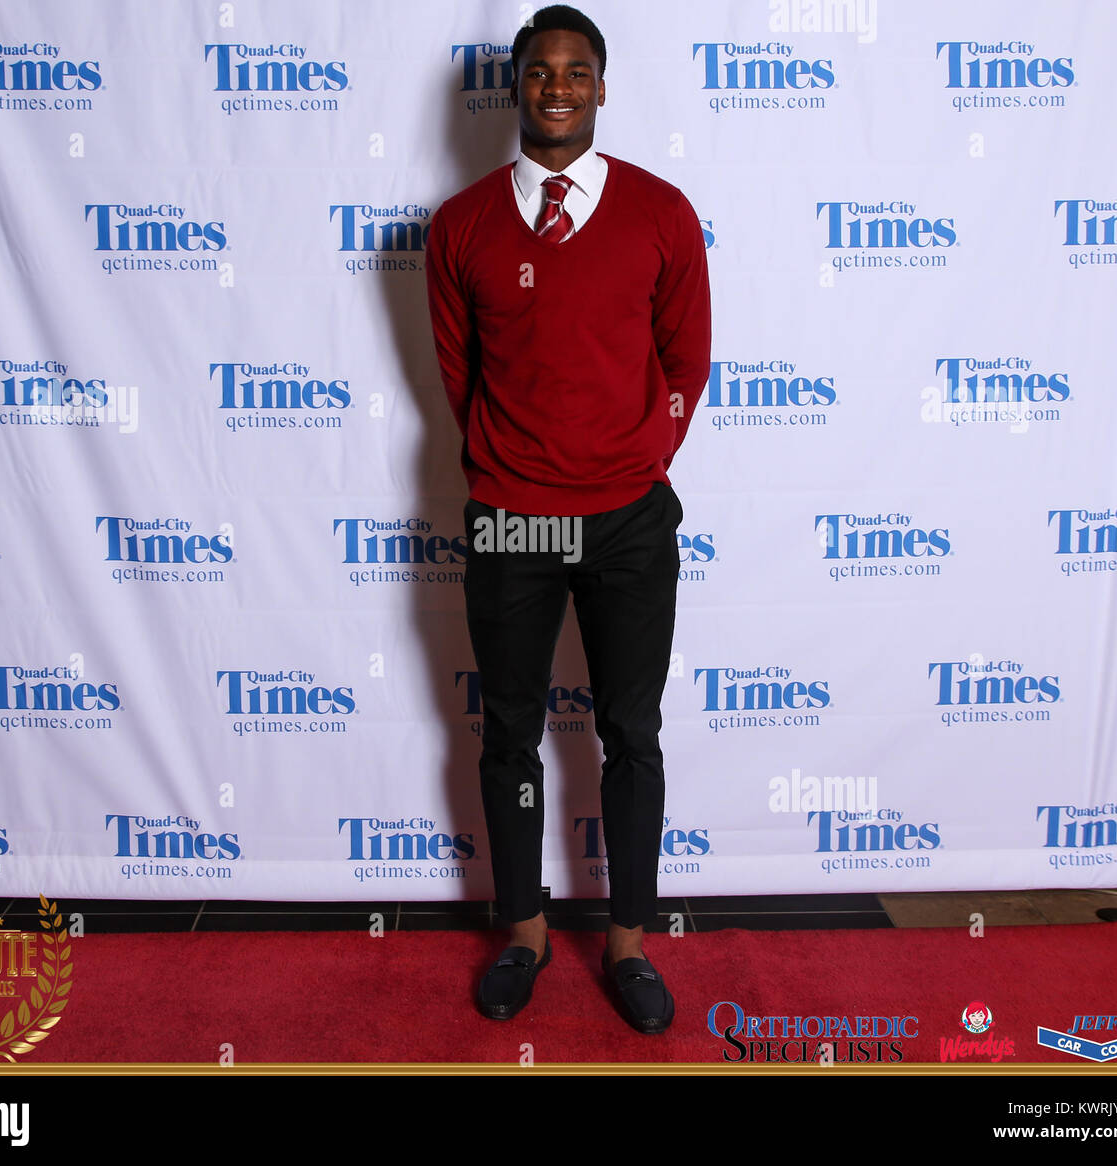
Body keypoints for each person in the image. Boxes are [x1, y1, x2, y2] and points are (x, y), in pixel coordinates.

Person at [425, 4, 710, 1033]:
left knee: (632, 732)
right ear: (515, 87)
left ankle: (629, 942)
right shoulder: (460, 225)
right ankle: (525, 931)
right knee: (510, 731)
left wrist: (633, 460)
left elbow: (686, 361)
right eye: (538, 69)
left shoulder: (661, 212)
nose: (556, 85)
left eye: (575, 69)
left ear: (599, 85)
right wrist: (520, 471)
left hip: (630, 516)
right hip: (513, 519)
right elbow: (462, 379)